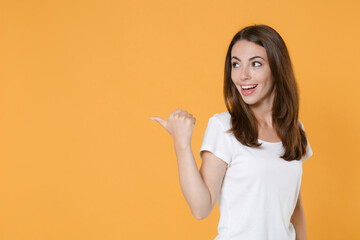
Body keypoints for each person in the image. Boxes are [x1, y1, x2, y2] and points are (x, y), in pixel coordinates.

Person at [151, 24, 313, 240]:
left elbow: (294, 207)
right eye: (235, 65)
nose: (243, 75)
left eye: (255, 64)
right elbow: (201, 208)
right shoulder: (224, 127)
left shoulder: (295, 130)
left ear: (277, 68)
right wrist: (182, 144)